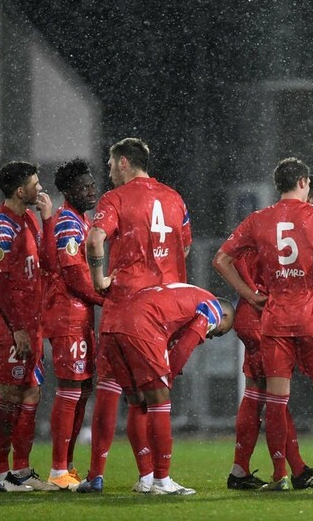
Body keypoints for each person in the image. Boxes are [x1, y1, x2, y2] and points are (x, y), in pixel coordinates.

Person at [213, 158, 313, 492]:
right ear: (304, 182)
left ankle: (280, 475)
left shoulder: (258, 219)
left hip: (274, 316)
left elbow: (220, 259)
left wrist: (249, 295)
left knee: (275, 400)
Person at [77, 138, 192, 494]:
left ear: (124, 162)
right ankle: (159, 479)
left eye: (111, 164)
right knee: (155, 397)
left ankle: (107, 474)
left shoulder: (115, 199)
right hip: (161, 310)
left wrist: (99, 279)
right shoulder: (174, 198)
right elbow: (185, 244)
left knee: (118, 392)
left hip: (121, 308)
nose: (109, 171)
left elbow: (94, 240)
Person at [226, 173, 313, 491]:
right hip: (262, 316)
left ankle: (240, 471)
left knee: (258, 394)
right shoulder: (281, 224)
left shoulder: (268, 223)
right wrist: (255, 293)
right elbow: (233, 259)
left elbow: (236, 257)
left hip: (256, 314)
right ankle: (295, 470)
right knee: (275, 397)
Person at [99, 282, 235, 495]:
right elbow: (185, 346)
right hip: (142, 325)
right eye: (219, 333)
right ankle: (162, 481)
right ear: (224, 317)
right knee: (159, 401)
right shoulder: (214, 308)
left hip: (114, 324)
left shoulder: (187, 293)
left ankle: (146, 478)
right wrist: (167, 379)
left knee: (137, 402)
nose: (211, 337)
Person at [0, 160, 57, 492]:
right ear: (20, 190)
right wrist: (17, 328)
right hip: (10, 328)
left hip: (31, 325)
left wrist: (48, 219)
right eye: (35, 183)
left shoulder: (27, 219)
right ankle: (1, 475)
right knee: (10, 396)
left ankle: (22, 472)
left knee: (31, 393)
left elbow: (48, 263)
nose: (40, 188)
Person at [39, 158, 105, 490]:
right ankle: (57, 470)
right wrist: (106, 297)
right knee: (69, 390)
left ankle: (66, 465)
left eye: (92, 185)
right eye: (84, 186)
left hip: (80, 316)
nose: (91, 191)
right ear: (68, 190)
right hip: (67, 316)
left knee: (83, 390)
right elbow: (75, 276)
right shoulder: (67, 222)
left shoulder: (82, 220)